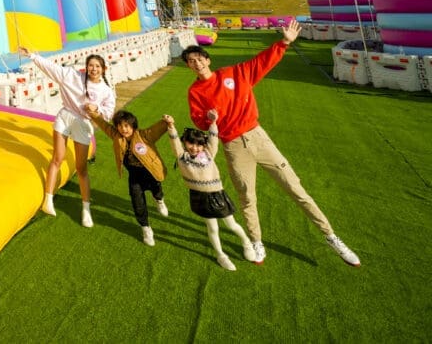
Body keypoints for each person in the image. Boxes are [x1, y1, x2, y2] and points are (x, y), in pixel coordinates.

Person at [181, 19, 360, 266]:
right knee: (247, 197)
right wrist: (208, 119)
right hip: (233, 145)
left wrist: (284, 42)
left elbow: (261, 62)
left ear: (207, 59)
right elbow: (198, 119)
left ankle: (331, 237)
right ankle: (256, 241)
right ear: (189, 66)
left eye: (200, 58)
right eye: (191, 61)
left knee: (295, 188)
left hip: (258, 137)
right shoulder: (195, 91)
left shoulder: (234, 73)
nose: (197, 63)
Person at [19, 47, 116, 227]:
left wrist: (97, 109)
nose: (93, 69)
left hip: (83, 123)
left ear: (103, 69)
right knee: (58, 158)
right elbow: (50, 67)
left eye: (97, 66)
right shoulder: (72, 76)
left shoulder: (106, 91)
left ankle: (86, 209)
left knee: (81, 168)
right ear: (86, 67)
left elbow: (109, 113)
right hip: (65, 116)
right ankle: (48, 199)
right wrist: (32, 55)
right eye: (91, 65)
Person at [164, 111, 256, 270]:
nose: (195, 148)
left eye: (199, 144)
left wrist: (213, 122)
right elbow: (174, 142)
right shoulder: (182, 156)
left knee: (231, 225)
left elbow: (213, 138)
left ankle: (247, 243)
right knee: (212, 228)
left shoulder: (208, 153)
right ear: (185, 142)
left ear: (204, 145)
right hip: (199, 196)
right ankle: (221, 255)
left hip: (216, 195)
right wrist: (171, 126)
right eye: (191, 143)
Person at [84, 106, 169, 246]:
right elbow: (104, 125)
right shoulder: (116, 136)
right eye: (120, 126)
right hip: (134, 176)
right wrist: (92, 113)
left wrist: (166, 122)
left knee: (157, 190)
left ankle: (159, 200)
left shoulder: (144, 135)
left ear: (133, 126)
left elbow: (156, 130)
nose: (123, 129)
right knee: (137, 202)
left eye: (126, 126)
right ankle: (146, 228)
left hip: (151, 173)